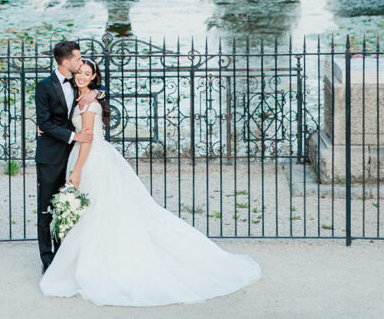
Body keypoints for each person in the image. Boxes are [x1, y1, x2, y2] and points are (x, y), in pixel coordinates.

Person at [39, 58, 261, 306]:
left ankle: (101, 263)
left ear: (93, 77)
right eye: (79, 71)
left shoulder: (90, 105)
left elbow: (88, 139)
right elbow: (60, 114)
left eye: (86, 73)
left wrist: (77, 171)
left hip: (90, 160)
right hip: (86, 156)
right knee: (95, 212)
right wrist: (46, 127)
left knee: (100, 209)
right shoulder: (77, 93)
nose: (81, 76)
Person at [34, 40, 94, 272]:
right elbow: (44, 122)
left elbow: (98, 84)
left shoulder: (78, 83)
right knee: (46, 208)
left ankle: (63, 253)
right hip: (51, 155)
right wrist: (73, 136)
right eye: (78, 58)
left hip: (73, 156)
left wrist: (98, 92)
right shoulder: (44, 86)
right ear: (66, 61)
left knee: (67, 205)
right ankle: (47, 259)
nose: (81, 62)